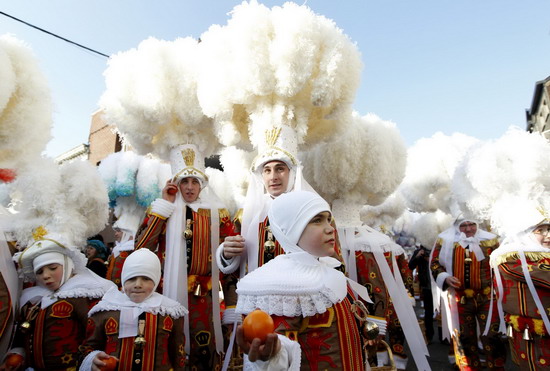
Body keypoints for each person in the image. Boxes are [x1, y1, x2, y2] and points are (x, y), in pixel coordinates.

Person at [235, 191, 373, 370]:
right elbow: (280, 344)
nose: (330, 228)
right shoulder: (282, 285)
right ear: (292, 229)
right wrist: (273, 353)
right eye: (317, 220)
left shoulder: (329, 270)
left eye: (328, 219)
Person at [134, 144, 236, 369]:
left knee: (204, 350)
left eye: (195, 182)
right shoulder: (161, 210)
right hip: (165, 294)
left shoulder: (218, 214)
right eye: (184, 182)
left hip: (204, 300)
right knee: (168, 348)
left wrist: (231, 305)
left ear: (202, 184)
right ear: (175, 184)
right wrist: (164, 207)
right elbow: (142, 248)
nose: (189, 188)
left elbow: (232, 263)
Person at [1, 231, 115, 370]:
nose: (46, 276)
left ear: (67, 265)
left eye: (53, 268)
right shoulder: (33, 300)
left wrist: (93, 358)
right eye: (40, 272)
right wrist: (18, 353)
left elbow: (98, 335)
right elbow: (22, 335)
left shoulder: (83, 295)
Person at [78, 248, 187, 370]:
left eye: (146, 279)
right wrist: (92, 359)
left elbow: (178, 353)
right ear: (123, 280)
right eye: (131, 279)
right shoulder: (105, 311)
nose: (138, 284)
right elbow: (88, 347)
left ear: (156, 280)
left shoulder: (169, 312)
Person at [431, 217, 506, 370]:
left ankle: (496, 367)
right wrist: (445, 277)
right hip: (460, 298)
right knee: (465, 337)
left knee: (492, 336)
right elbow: (435, 263)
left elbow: (502, 264)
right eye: (463, 225)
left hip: (488, 297)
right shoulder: (445, 240)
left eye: (471, 224)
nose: (468, 229)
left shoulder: (490, 240)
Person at [490, 210, 550, 370]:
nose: (548, 235)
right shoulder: (510, 257)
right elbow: (544, 275)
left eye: (549, 229)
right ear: (525, 232)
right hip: (533, 332)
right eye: (541, 230)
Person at [409, 244, 434, 343]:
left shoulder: (439, 249)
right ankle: (429, 334)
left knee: (443, 312)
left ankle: (445, 337)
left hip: (439, 285)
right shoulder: (419, 252)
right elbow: (411, 266)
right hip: (426, 286)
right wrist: (418, 256)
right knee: (428, 311)